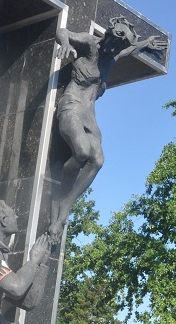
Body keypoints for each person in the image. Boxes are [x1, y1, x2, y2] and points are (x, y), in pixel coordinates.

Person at [50, 17, 168, 239]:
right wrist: (65, 44)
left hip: (89, 116)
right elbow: (63, 31)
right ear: (108, 36)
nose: (114, 49)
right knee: (82, 152)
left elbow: (132, 48)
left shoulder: (113, 57)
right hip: (72, 106)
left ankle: (67, 201)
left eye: (119, 46)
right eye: (113, 43)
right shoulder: (90, 44)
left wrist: (146, 43)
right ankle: (61, 197)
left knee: (98, 160)